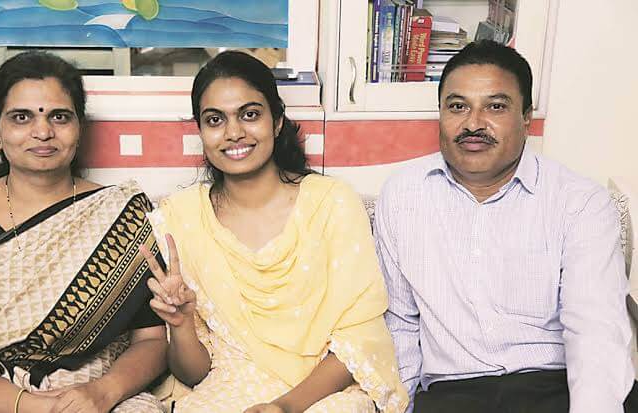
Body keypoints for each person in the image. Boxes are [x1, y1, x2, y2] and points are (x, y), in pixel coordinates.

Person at [375, 39, 638, 413]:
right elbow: (399, 326)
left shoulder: (579, 202)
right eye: (457, 106)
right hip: (453, 395)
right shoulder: (403, 195)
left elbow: (595, 331)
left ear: (526, 119)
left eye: (495, 107)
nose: (473, 124)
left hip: (557, 388)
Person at [140, 50, 409, 412]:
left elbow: (359, 340)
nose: (234, 133)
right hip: (228, 387)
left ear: (277, 121)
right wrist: (183, 323)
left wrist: (283, 407)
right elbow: (194, 375)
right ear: (201, 132)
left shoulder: (331, 203)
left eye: (249, 115)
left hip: (324, 392)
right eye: (215, 119)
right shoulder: (182, 218)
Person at [0, 51, 167, 413]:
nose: (43, 131)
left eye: (59, 117)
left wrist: (102, 393)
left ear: (79, 128)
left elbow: (152, 340)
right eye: (21, 117)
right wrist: (28, 405)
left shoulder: (123, 214)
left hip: (102, 398)